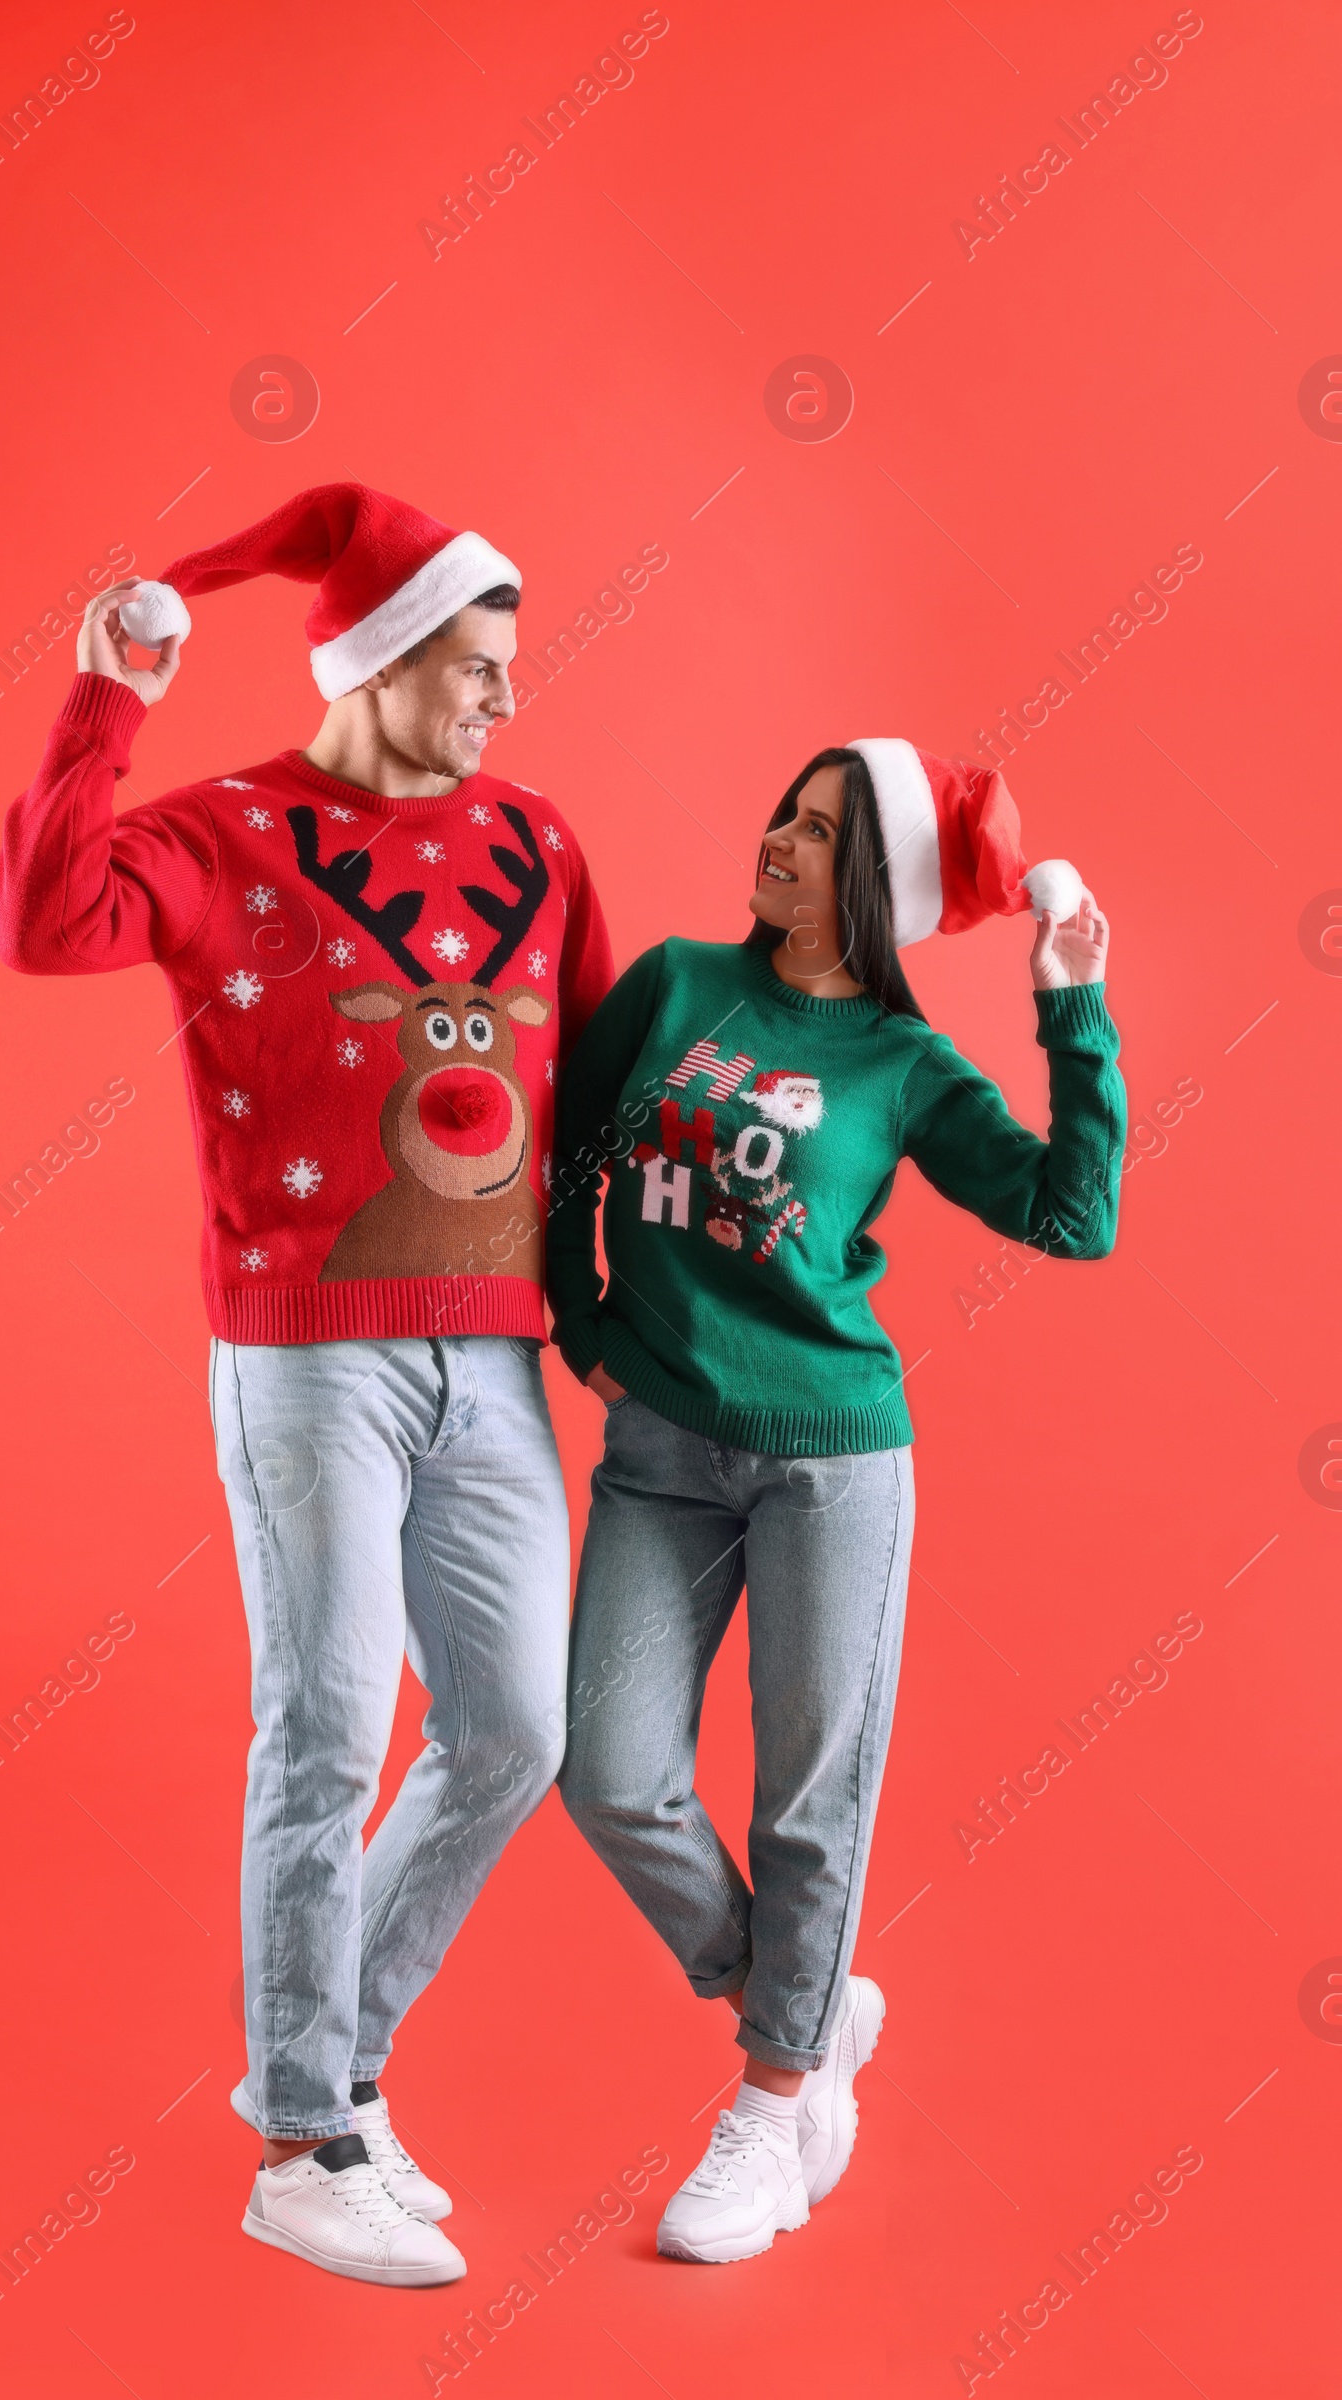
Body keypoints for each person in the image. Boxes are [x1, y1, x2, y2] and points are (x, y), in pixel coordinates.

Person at [0, 483, 614, 2287]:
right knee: (332, 1725)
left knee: (514, 1731)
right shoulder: (227, 832)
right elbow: (49, 922)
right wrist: (108, 704)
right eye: (477, 668)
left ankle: (339, 2064)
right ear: (384, 654)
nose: (504, 700)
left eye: (512, 670)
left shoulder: (544, 839)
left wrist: (627, 1321)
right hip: (305, 1355)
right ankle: (300, 2144)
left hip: (495, 1356)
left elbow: (591, 1096)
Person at [548, 740, 1124, 2265]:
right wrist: (586, 1331)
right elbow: (563, 1155)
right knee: (606, 1772)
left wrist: (1072, 1002)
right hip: (662, 1452)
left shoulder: (905, 1068)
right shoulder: (674, 986)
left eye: (818, 832)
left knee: (811, 1803)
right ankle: (810, 2002)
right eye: (784, 816)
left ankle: (772, 2100)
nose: (778, 842)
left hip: (834, 1460)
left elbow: (1073, 1216)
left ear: (876, 886)